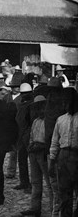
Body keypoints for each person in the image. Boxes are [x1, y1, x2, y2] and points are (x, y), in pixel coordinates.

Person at [48, 88, 78, 217]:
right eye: (64, 103)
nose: (65, 105)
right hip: (63, 158)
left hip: (77, 157)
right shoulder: (60, 120)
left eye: (68, 102)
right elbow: (55, 142)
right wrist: (52, 161)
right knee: (64, 194)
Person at [20, 95, 52, 217]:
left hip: (44, 153)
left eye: (41, 108)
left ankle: (53, 209)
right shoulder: (36, 121)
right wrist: (30, 146)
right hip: (34, 153)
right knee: (35, 181)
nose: (39, 111)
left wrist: (42, 147)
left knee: (49, 183)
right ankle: (35, 208)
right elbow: (32, 136)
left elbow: (50, 140)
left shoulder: (49, 122)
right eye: (37, 108)